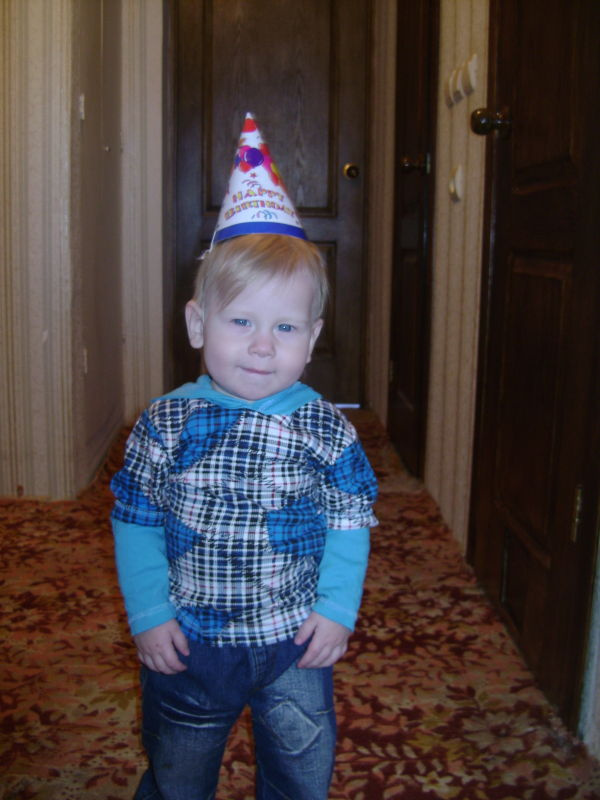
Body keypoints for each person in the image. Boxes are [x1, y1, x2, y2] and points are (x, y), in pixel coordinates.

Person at [111, 114, 378, 800]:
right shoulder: (164, 423)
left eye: (285, 326)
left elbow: (350, 519)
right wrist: (149, 614)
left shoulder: (327, 429)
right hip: (188, 642)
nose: (264, 345)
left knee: (300, 773)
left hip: (295, 641)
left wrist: (337, 608)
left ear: (312, 338)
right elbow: (136, 517)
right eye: (241, 322)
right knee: (177, 771)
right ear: (198, 323)